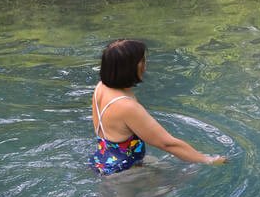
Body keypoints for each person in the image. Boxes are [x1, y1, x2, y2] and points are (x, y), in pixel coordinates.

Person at [90, 39, 227, 175]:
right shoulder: (127, 106)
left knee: (167, 168)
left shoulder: (101, 87)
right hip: (123, 173)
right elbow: (167, 144)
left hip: (103, 159)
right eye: (142, 61)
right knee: (180, 180)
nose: (145, 65)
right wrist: (209, 160)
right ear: (131, 67)